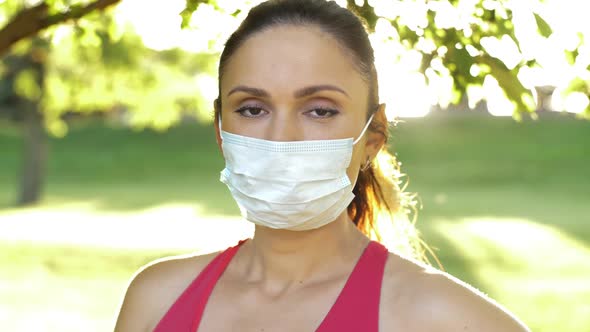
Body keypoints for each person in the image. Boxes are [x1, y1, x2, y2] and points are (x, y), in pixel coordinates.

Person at [114, 0, 530, 331]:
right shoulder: (156, 299)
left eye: (320, 111)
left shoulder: (448, 319)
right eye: (253, 108)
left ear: (372, 137)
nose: (281, 138)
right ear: (221, 131)